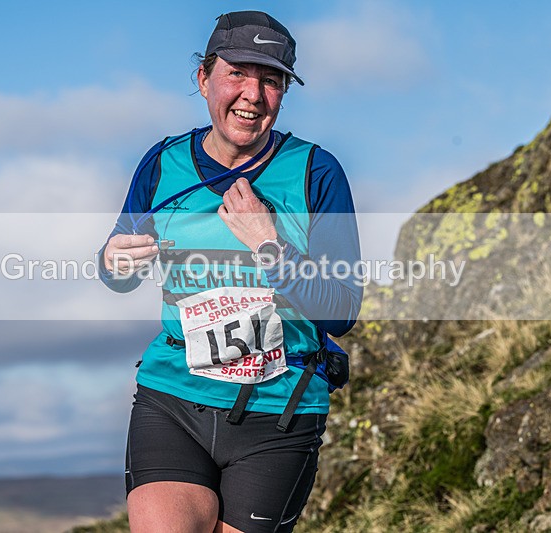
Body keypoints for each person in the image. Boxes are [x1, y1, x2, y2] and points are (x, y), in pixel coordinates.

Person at [99, 10, 362, 533]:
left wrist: (270, 246)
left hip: (278, 412)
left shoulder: (316, 172)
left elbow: (341, 310)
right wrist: (113, 263)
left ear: (283, 93)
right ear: (203, 79)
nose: (252, 95)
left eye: (270, 80)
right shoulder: (162, 164)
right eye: (237, 73)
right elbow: (119, 265)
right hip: (173, 398)